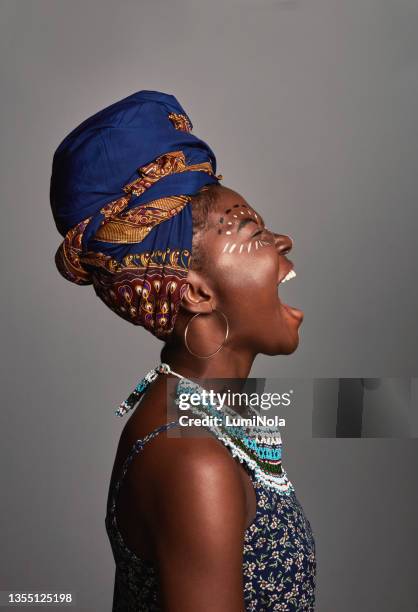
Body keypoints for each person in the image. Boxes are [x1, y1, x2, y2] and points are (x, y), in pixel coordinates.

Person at [50, 90, 316, 611]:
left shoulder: (204, 415)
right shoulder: (193, 459)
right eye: (253, 232)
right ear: (196, 291)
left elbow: (338, 408)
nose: (282, 240)